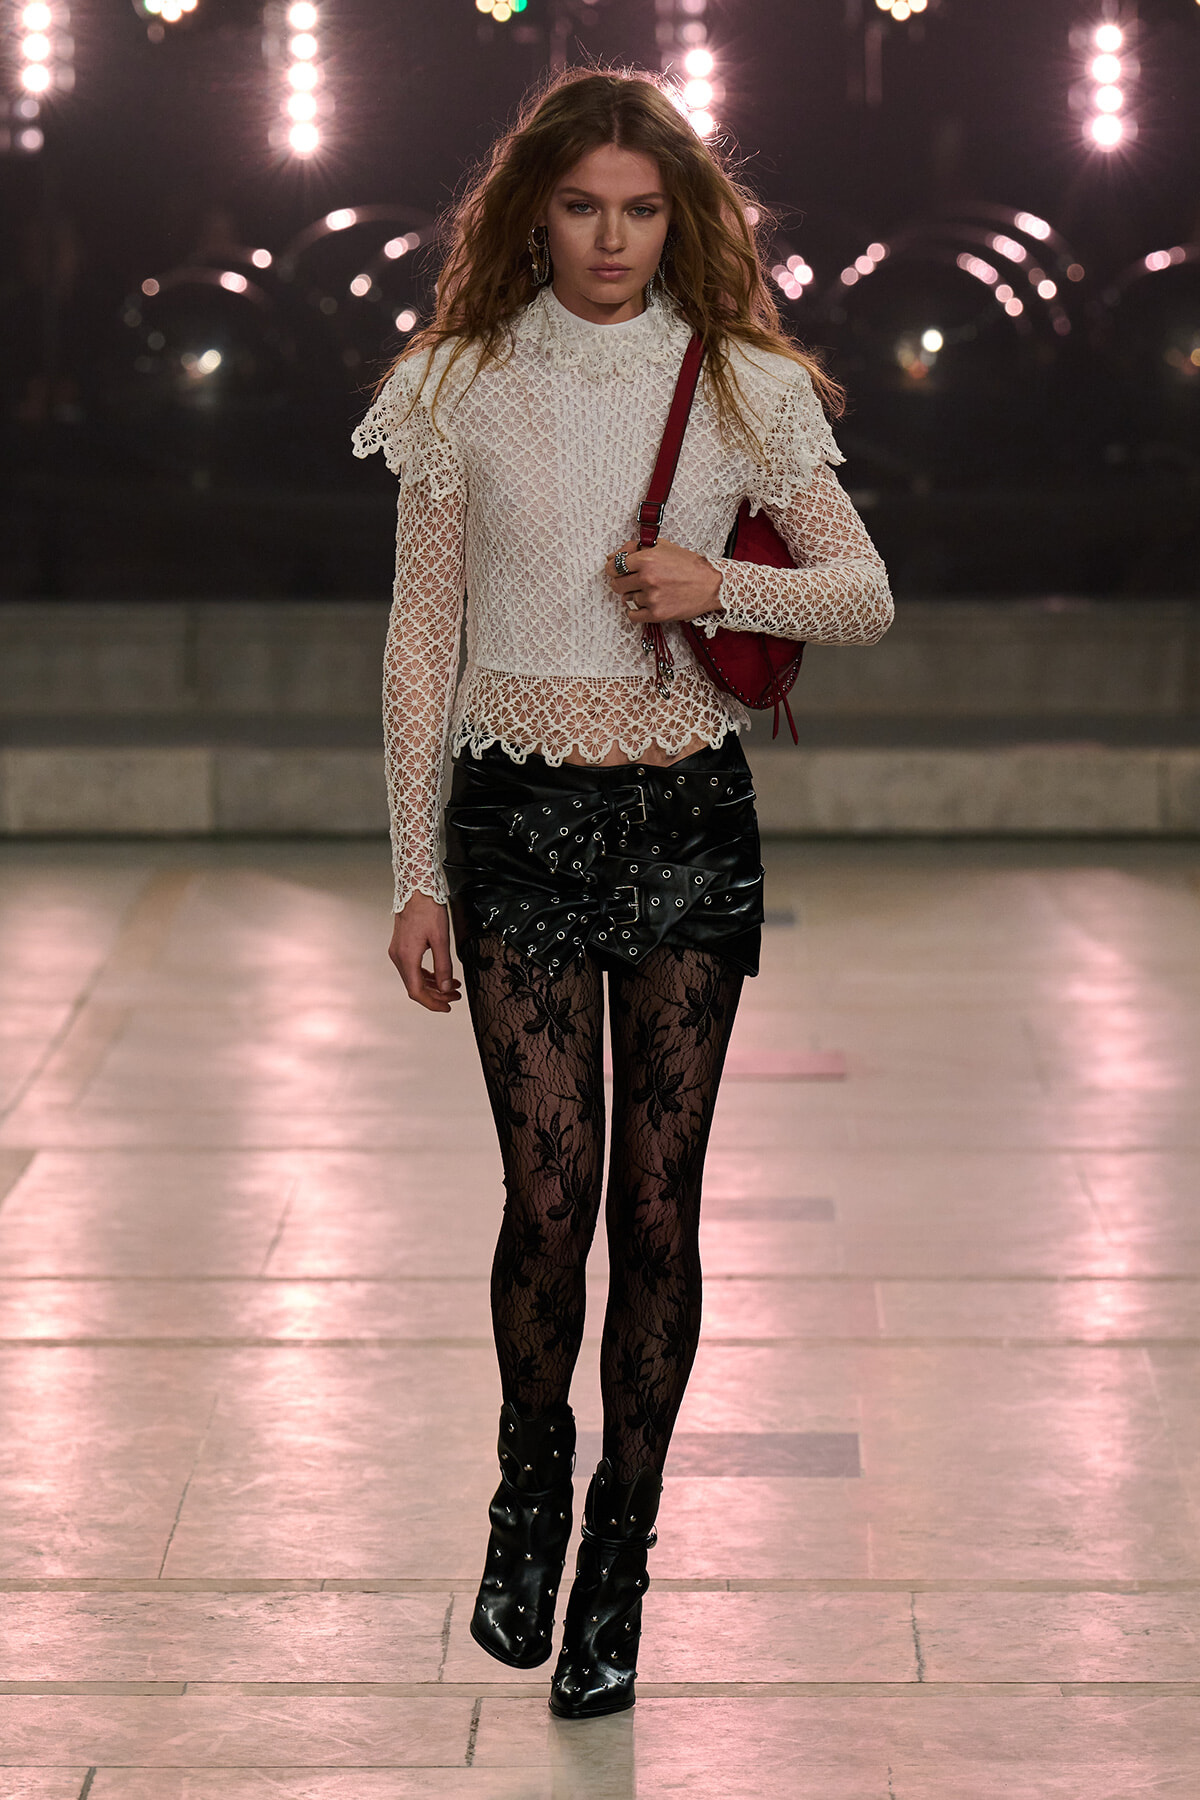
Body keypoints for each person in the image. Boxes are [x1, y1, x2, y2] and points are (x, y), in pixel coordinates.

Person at [352, 68, 893, 1719]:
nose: (611, 238)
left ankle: (618, 1568)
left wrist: (716, 576)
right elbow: (418, 637)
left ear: (684, 217)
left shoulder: (741, 386)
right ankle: (529, 1489)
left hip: (684, 823)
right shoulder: (458, 383)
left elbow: (864, 593)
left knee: (661, 1214)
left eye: (643, 208)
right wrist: (414, 871)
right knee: (552, 1203)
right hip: (513, 822)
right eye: (583, 206)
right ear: (533, 210)